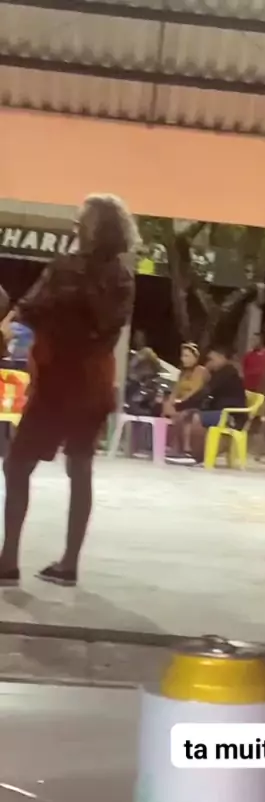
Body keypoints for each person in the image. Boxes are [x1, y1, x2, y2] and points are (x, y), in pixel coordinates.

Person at [0, 194, 136, 587]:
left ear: (97, 228)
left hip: (61, 378)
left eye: (82, 221)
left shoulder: (67, 269)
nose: (76, 226)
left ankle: (8, 560)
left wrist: (10, 326)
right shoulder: (123, 278)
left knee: (18, 465)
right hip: (93, 380)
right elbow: (108, 326)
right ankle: (69, 563)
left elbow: (29, 309)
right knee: (80, 467)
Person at [167, 345, 246, 465]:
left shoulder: (227, 372)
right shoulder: (218, 372)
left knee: (194, 417)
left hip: (231, 415)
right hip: (218, 412)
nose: (209, 363)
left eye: (211, 359)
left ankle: (194, 454)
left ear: (221, 358)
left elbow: (205, 392)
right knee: (186, 414)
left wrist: (180, 406)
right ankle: (182, 450)